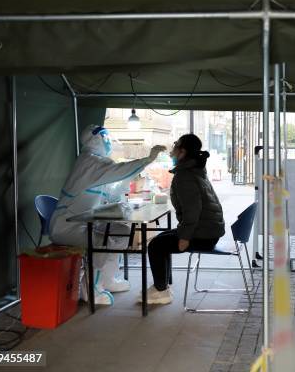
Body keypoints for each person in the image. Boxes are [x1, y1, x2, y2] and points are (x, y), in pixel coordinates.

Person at [50, 124, 166, 305]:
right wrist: (147, 160)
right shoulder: (89, 162)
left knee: (121, 230)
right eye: (106, 138)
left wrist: (128, 179)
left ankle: (108, 279)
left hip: (86, 222)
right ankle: (90, 289)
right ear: (95, 139)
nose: (109, 142)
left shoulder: (97, 165)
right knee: (102, 241)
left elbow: (111, 192)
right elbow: (118, 170)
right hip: (66, 225)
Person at [145, 134, 225, 304]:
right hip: (209, 230)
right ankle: (162, 287)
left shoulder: (185, 176)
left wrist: (185, 237)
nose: (172, 150)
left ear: (182, 152)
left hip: (204, 234)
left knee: (155, 245)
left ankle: (161, 292)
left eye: (175, 145)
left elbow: (192, 210)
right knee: (160, 239)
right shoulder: (194, 170)